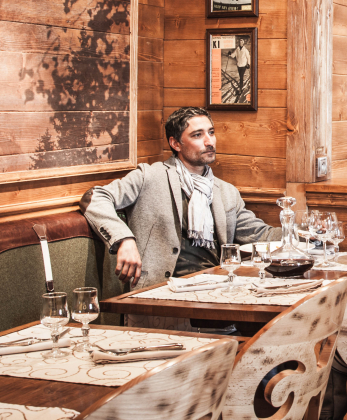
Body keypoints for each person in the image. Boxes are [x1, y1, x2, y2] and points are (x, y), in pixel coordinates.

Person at [81, 106, 280, 290]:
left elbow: (259, 234)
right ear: (175, 143)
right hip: (163, 291)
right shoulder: (149, 176)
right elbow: (94, 197)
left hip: (218, 288)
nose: (209, 141)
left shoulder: (225, 191)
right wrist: (124, 239)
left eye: (211, 132)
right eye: (197, 135)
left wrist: (304, 234)